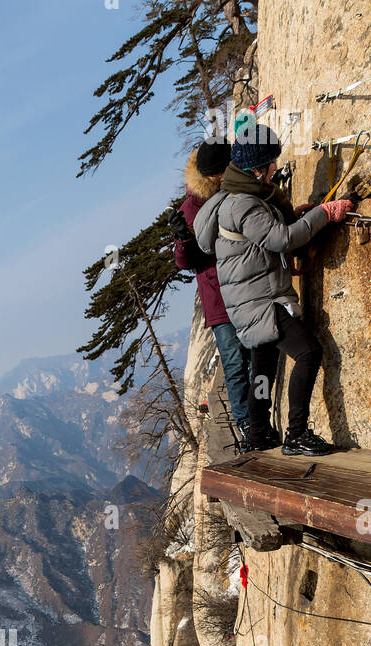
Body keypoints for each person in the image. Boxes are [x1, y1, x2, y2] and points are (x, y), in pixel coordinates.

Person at [193, 121, 352, 456]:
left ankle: (259, 433)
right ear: (257, 169)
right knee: (309, 352)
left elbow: (265, 233)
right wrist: (324, 213)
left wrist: (297, 215)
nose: (276, 168)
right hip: (262, 302)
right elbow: (281, 239)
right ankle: (296, 434)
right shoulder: (244, 204)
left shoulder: (237, 199)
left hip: (248, 303)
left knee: (262, 370)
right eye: (271, 162)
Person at [171, 139, 254, 449]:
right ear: (211, 175)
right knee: (234, 361)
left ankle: (257, 415)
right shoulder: (190, 208)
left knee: (255, 353)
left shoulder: (233, 190)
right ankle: (246, 421)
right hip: (219, 297)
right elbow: (184, 262)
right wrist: (183, 241)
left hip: (247, 286)